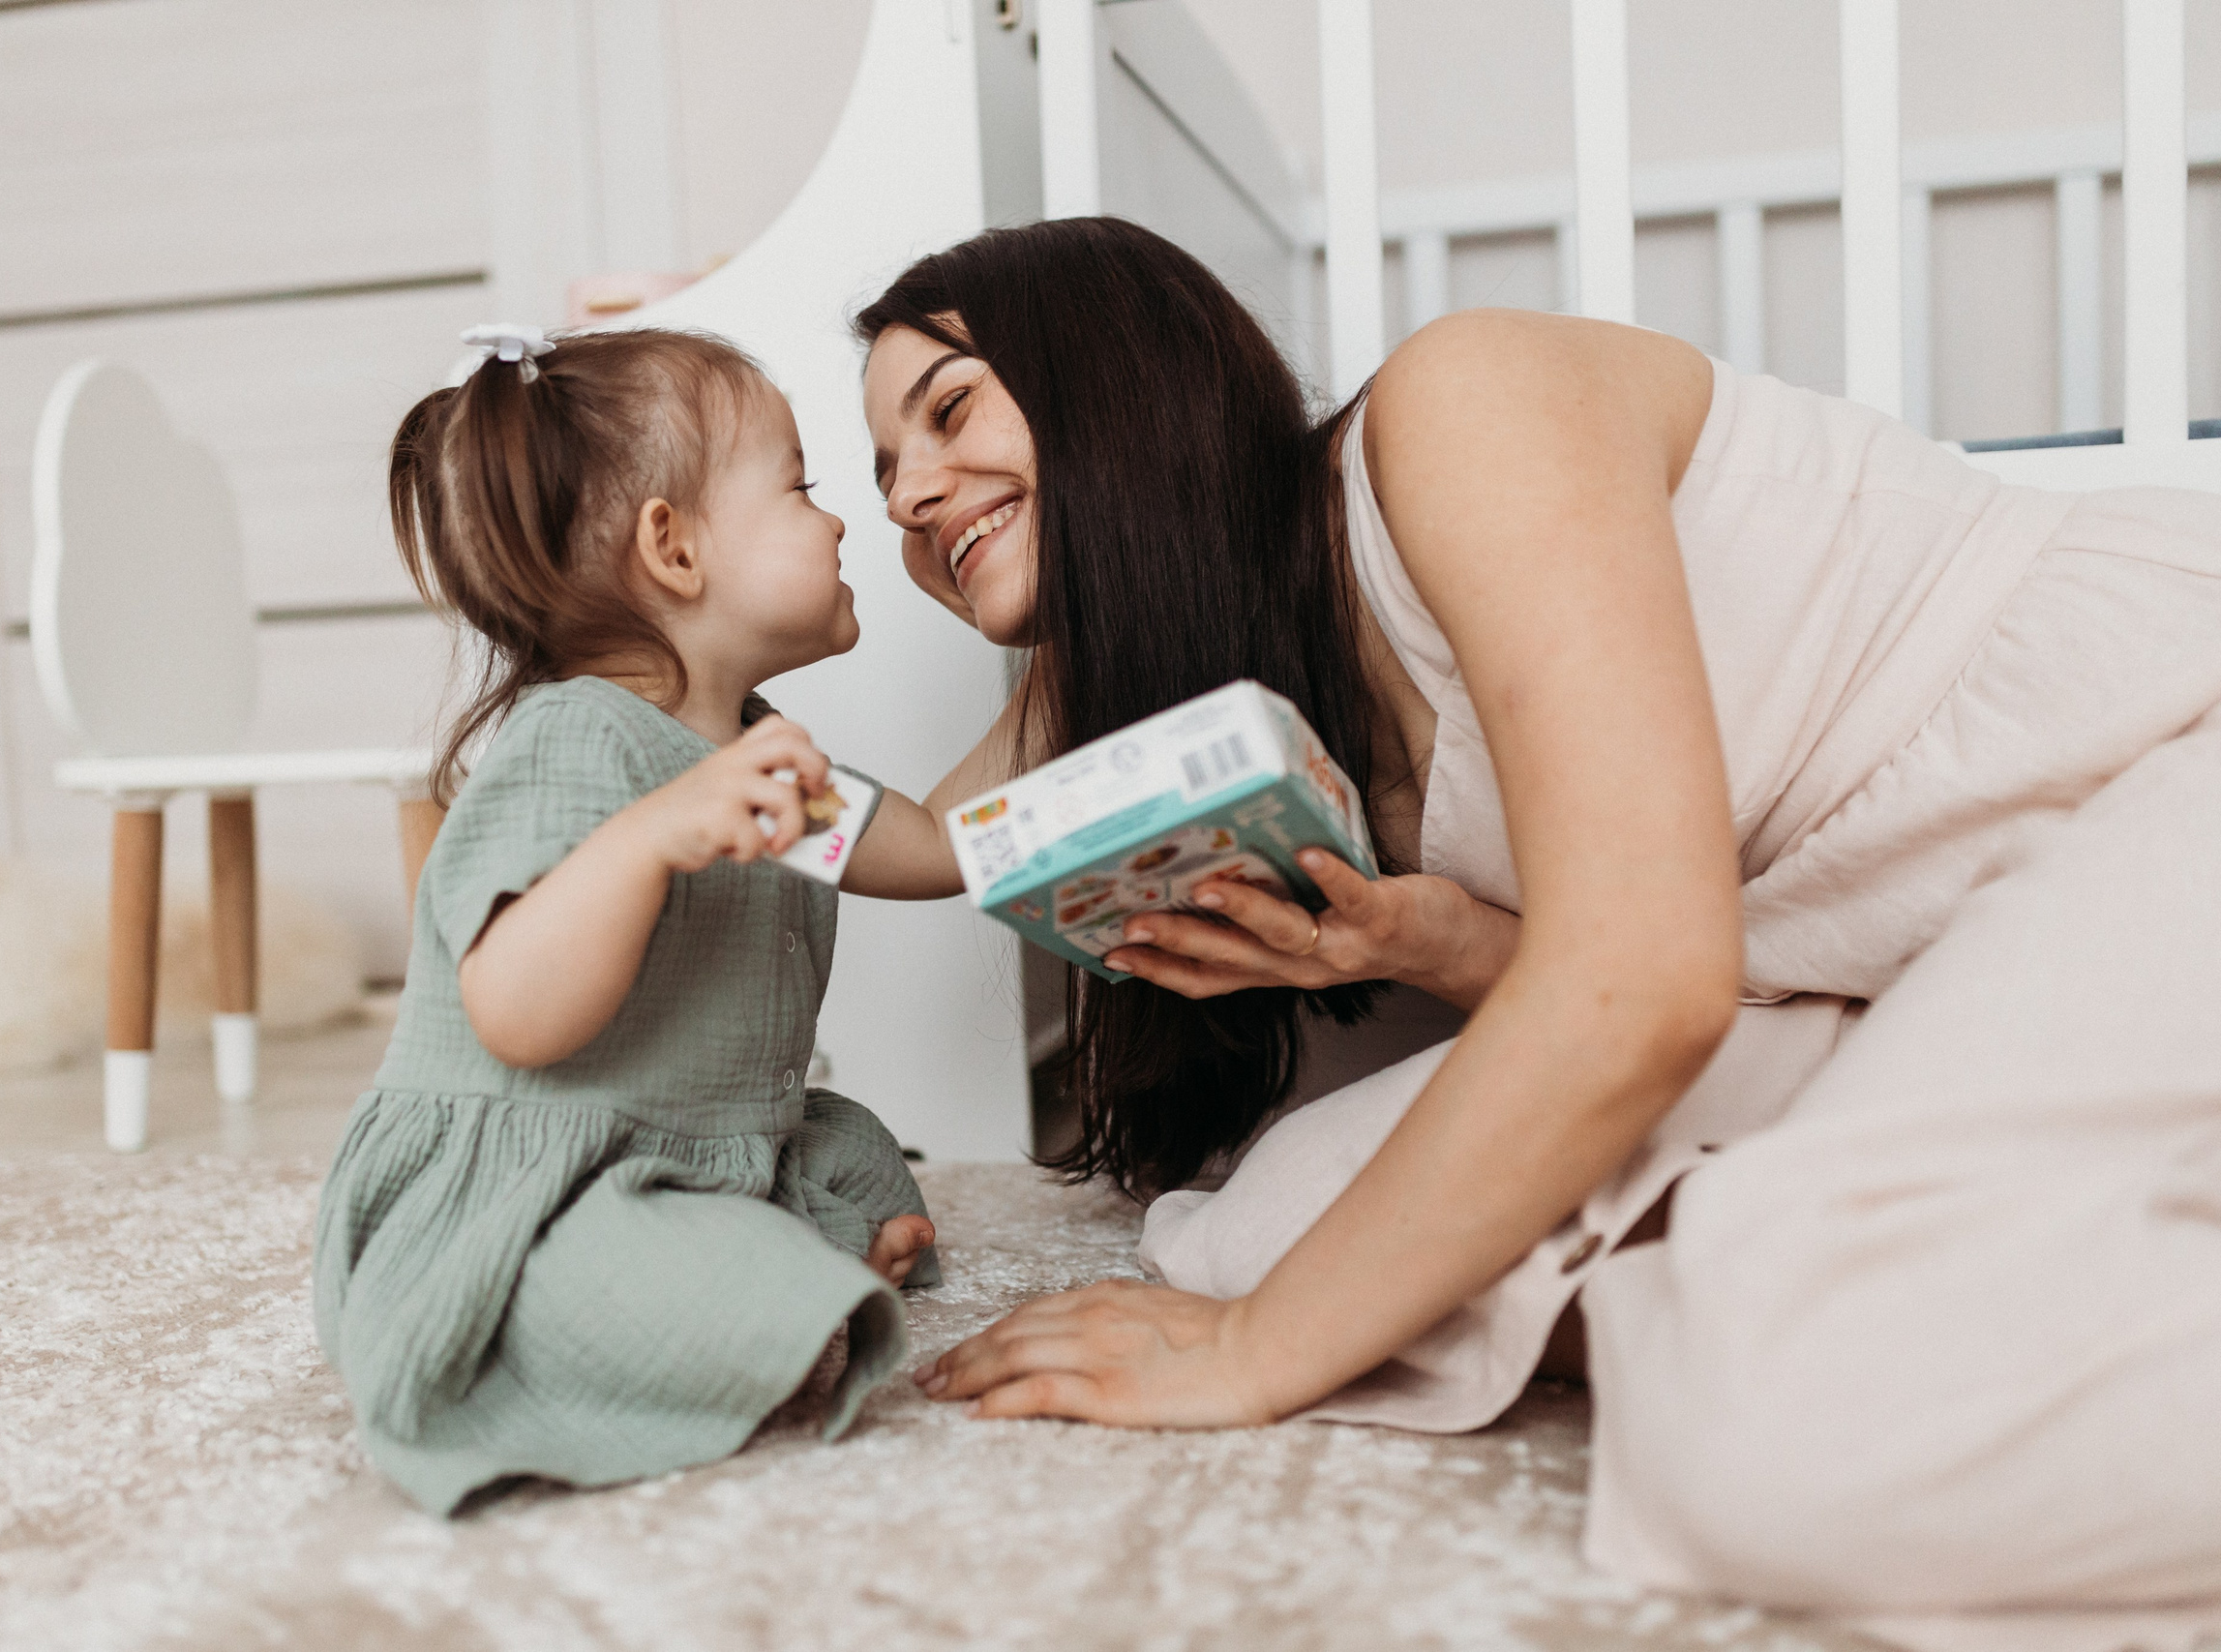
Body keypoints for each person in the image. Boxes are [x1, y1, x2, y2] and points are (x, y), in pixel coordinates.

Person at [859, 218, 2221, 1643]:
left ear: (1111, 377)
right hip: (1870, 956)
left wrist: (1257, 1360)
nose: (910, 495)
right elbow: (907, 838)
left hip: (2149, 750)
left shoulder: (1463, 407)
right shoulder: (1218, 670)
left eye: (946, 412)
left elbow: (1641, 982)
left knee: (1766, 1426)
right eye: (882, 474)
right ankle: (1910, 1225)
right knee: (1257, 1224)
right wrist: (666, 719)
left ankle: (1819, 1277)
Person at [313, 323, 966, 1516]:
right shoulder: (581, 739)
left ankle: (763, 1274)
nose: (837, 519)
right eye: (802, 486)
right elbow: (515, 1015)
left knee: (861, 1151)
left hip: (685, 1141)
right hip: (544, 1180)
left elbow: (937, 850)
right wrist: (651, 839)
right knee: (671, 1272)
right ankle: (721, 1312)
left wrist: (1071, 654)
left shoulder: (758, 752)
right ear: (672, 548)